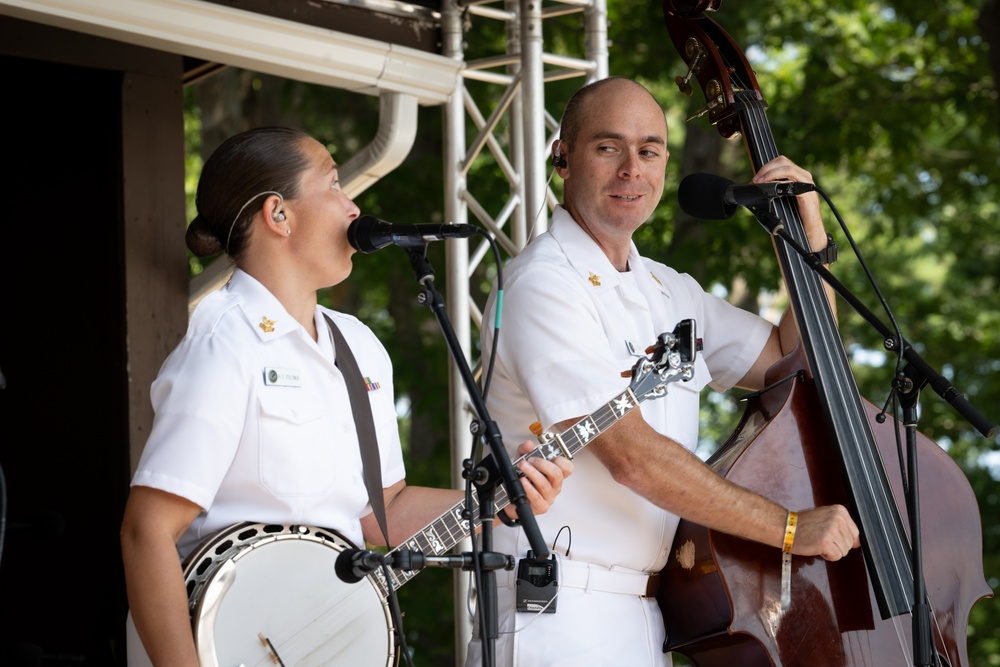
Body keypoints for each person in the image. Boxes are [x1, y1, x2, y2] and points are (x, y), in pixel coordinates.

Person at [119, 126, 573, 666]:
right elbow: (146, 531)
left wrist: (497, 501)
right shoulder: (226, 342)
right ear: (278, 215)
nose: (354, 207)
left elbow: (382, 514)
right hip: (219, 642)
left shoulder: (358, 345)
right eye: (334, 185)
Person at [464, 77, 861, 667]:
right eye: (608, 147)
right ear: (563, 158)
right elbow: (632, 457)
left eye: (648, 150)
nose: (632, 169)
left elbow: (799, 358)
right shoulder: (543, 281)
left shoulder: (669, 289)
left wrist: (806, 236)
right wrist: (786, 528)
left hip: (647, 616)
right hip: (556, 611)